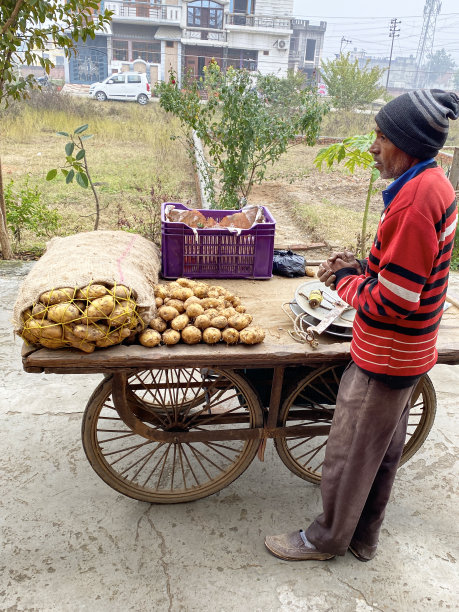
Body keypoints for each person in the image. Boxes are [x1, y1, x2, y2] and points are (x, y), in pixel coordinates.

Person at [265, 89, 459, 562]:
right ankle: (364, 538)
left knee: (349, 456)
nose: (373, 146)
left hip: (386, 354)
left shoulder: (414, 202)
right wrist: (363, 266)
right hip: (407, 356)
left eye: (381, 136)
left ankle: (323, 540)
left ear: (408, 143)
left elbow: (393, 302)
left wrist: (346, 282)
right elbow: (402, 272)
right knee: (381, 454)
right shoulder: (431, 183)